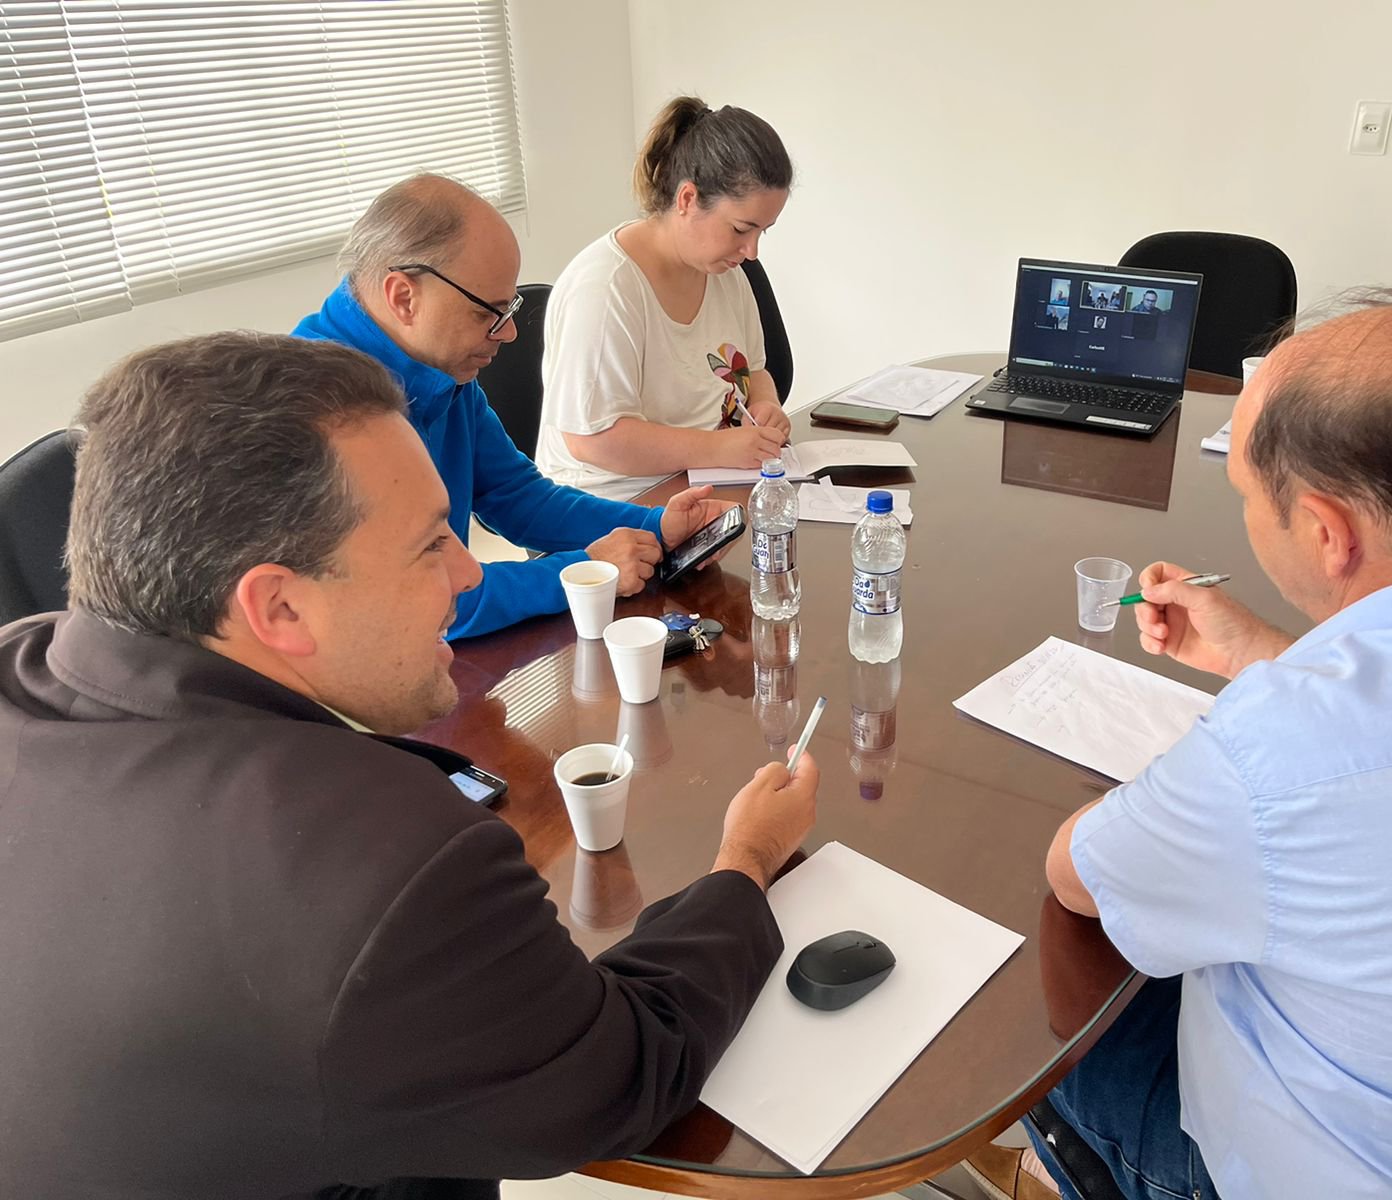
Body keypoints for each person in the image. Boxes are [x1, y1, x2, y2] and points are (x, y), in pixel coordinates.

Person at [0, 332, 820, 1200]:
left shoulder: (21, 659)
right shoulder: (393, 870)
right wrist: (746, 863)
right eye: (431, 544)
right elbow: (618, 1078)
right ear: (280, 606)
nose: (467, 573)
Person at [975, 290, 1392, 1200]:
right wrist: (1267, 655)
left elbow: (1079, 875)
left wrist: (1255, 721)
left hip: (1314, 1173)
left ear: (1325, 533)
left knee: (1018, 983)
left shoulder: (1273, 756)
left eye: (1246, 495)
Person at [295, 174, 734, 639]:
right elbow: (421, 601)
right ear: (404, 297)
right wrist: (585, 571)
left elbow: (518, 497)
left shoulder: (439, 369)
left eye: (508, 309)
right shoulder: (325, 415)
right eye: (487, 313)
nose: (508, 333)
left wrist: (656, 526)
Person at [535, 96, 795, 501]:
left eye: (763, 231)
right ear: (687, 199)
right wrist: (718, 448)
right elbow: (593, 441)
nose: (752, 251)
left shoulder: (726, 274)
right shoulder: (606, 289)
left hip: (702, 479)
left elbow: (755, 371)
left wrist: (766, 406)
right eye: (741, 229)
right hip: (609, 504)